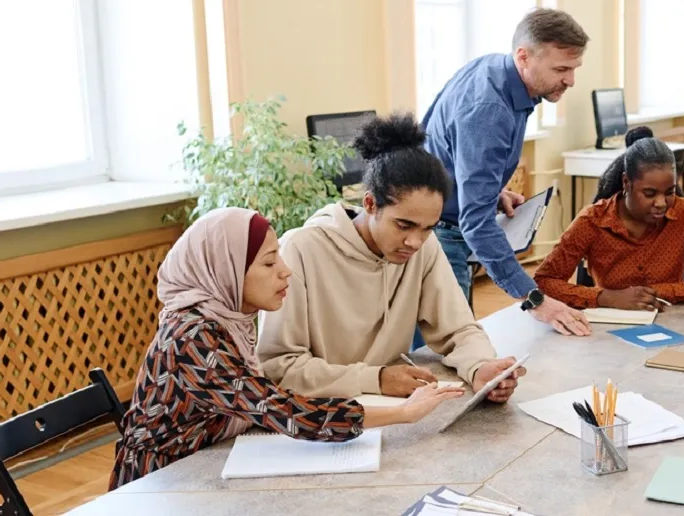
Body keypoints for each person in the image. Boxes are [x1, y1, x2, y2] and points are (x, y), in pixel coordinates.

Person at [109, 208, 464, 490]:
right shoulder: (192, 340)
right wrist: (404, 414)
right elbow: (286, 411)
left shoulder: (225, 314)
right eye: (268, 263)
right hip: (162, 485)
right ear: (225, 271)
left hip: (212, 461)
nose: (285, 271)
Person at [256, 113, 525, 403]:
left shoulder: (424, 246)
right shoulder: (300, 250)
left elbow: (458, 329)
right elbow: (278, 367)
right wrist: (376, 378)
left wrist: (480, 366)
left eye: (428, 228)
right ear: (370, 203)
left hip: (390, 409)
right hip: (320, 416)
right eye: (404, 225)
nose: (415, 242)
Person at [421, 7, 591, 336]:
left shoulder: (497, 70)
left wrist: (488, 191)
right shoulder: (489, 108)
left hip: (440, 217)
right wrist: (536, 300)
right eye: (562, 69)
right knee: (449, 346)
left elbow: (446, 147)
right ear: (524, 57)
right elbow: (476, 222)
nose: (570, 80)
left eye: (573, 68)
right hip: (435, 233)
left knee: (454, 343)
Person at [532, 126, 684, 310]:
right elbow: (544, 281)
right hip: (609, 326)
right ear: (626, 183)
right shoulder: (592, 220)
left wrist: (656, 293)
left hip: (669, 319)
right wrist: (607, 298)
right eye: (650, 193)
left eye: (669, 192)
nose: (661, 203)